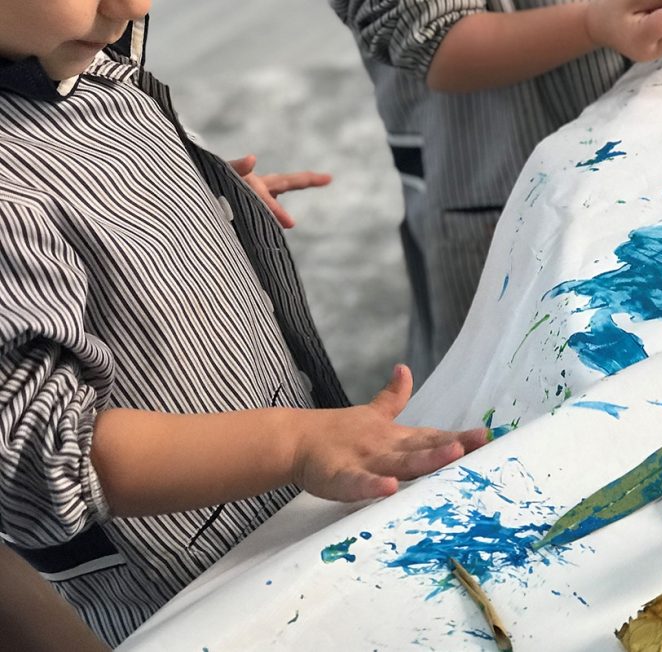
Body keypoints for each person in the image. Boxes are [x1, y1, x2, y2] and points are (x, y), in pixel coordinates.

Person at [0, 1, 487, 646]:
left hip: (302, 504)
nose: (135, 4)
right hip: (220, 585)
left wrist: (189, 201)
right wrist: (290, 444)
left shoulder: (80, 60)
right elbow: (42, 455)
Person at [333, 0, 662, 383]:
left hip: (651, 125)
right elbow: (432, 38)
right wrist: (593, 24)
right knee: (510, 376)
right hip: (492, 182)